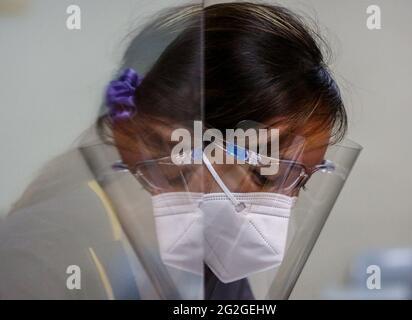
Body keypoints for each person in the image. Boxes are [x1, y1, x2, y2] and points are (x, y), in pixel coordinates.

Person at [0, 2, 352, 300]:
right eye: (273, 173)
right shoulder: (36, 260)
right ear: (176, 140)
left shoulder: (204, 259)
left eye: (300, 182)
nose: (284, 203)